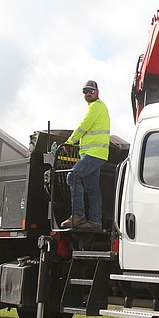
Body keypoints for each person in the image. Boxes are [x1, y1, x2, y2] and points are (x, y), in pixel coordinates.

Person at [61, 80, 110, 231]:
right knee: (92, 188)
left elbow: (84, 125)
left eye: (90, 91)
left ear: (97, 92)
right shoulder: (99, 107)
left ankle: (78, 215)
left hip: (94, 153)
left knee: (72, 176)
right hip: (96, 153)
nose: (87, 93)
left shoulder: (96, 107)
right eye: (85, 91)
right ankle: (95, 222)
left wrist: (69, 143)